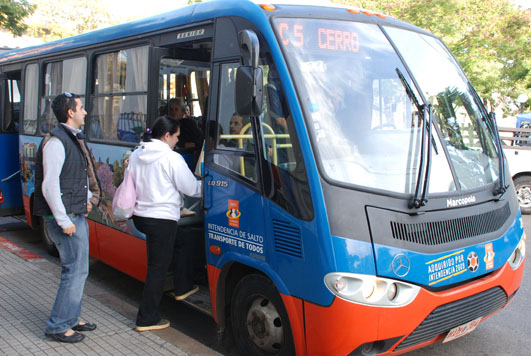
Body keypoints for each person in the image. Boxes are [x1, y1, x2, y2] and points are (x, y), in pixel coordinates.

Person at [33, 92, 101, 343]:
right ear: (70, 113)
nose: (85, 112)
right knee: (74, 271)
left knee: (79, 270)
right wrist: (64, 221)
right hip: (66, 219)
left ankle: (71, 318)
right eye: (81, 108)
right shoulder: (56, 142)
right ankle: (58, 325)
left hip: (75, 213)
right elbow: (50, 186)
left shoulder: (69, 138)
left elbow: (73, 178)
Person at [129, 116, 202, 332]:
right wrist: (214, 185)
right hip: (161, 219)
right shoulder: (171, 158)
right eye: (176, 137)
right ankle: (146, 318)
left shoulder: (137, 153)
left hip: (141, 217)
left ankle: (183, 286)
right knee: (157, 270)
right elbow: (191, 189)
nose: (177, 142)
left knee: (183, 240)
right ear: (166, 135)